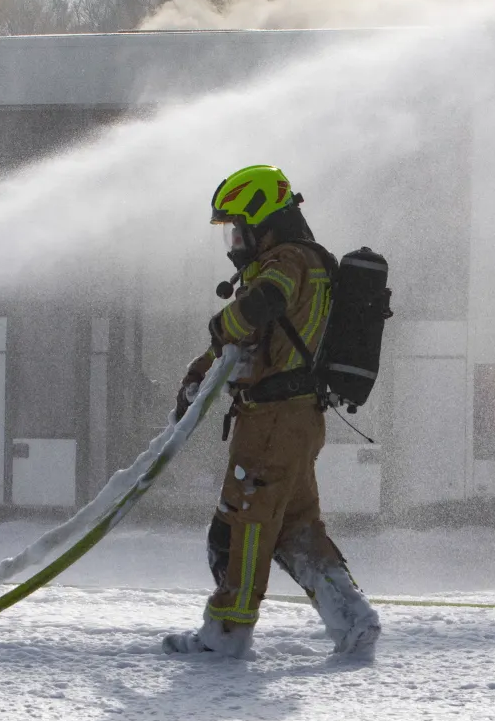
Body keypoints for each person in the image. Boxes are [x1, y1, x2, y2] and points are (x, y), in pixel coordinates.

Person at [163, 165, 381, 658]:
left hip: (274, 418)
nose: (235, 241)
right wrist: (199, 373)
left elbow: (258, 310)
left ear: (264, 220)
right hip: (295, 418)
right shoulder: (305, 262)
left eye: (238, 228)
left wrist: (221, 324)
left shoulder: (287, 261)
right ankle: (352, 620)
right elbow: (250, 341)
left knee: (247, 519)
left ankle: (226, 633)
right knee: (295, 526)